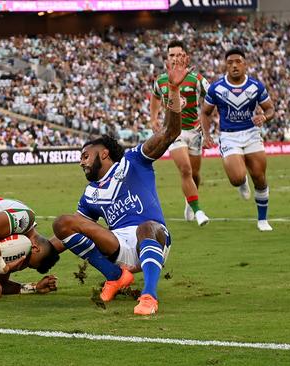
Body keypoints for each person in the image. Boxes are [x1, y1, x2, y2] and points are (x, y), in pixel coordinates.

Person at [51, 54, 190, 316]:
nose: (81, 163)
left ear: (103, 154)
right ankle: (116, 276)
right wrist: (34, 250)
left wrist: (172, 90)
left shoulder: (135, 160)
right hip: (119, 246)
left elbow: (171, 132)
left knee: (146, 227)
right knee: (62, 223)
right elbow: (68, 235)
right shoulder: (90, 194)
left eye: (85, 156)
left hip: (153, 238)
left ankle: (149, 295)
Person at [201, 48, 276, 232]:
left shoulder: (256, 86)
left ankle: (262, 220)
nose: (234, 65)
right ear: (226, 65)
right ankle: (241, 182)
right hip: (229, 136)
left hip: (251, 134)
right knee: (236, 178)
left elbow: (270, 109)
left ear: (245, 64)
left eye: (238, 61)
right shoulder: (216, 88)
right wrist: (207, 134)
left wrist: (264, 117)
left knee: (259, 177)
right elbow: (205, 112)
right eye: (230, 62)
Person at [150, 40, 210, 226]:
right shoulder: (161, 80)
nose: (175, 58)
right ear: (167, 58)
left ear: (185, 56)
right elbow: (155, 97)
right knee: (185, 169)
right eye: (171, 55)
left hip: (194, 131)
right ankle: (199, 211)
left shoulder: (196, 79)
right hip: (174, 131)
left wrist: (205, 120)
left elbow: (212, 97)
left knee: (195, 174)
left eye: (178, 55)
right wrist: (154, 118)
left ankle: (189, 201)